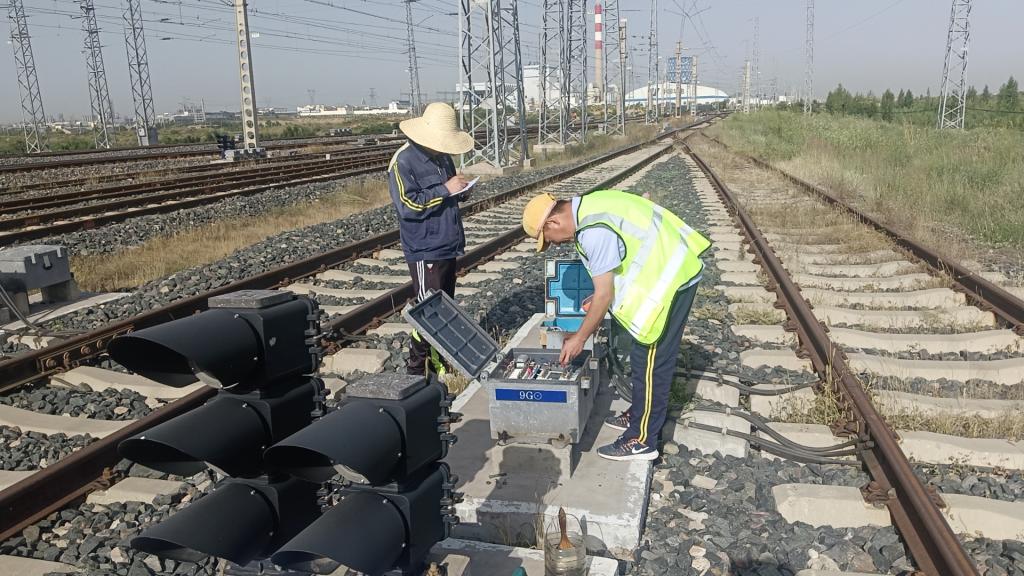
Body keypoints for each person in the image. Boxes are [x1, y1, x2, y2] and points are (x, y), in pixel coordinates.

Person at [521, 190, 710, 461]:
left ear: (553, 222)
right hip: (668, 267)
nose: (555, 244)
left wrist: (579, 338)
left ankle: (642, 439)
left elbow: (604, 295)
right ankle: (639, 414)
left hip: (672, 280)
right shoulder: (591, 206)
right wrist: (599, 296)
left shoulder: (592, 232)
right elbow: (622, 262)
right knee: (641, 357)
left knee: (651, 362)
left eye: (549, 239)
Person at [388, 102, 476, 377]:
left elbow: (447, 192)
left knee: (443, 308)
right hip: (425, 247)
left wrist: (461, 190)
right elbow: (407, 206)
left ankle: (440, 360)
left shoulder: (442, 157)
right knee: (428, 310)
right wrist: (445, 189)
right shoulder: (403, 162)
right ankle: (416, 370)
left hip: (448, 242)